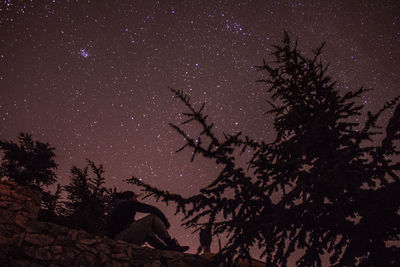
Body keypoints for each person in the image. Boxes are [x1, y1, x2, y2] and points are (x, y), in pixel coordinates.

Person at [106, 191, 189, 252]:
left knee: (147, 229)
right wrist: (165, 221)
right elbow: (151, 209)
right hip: (120, 237)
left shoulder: (120, 208)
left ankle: (164, 248)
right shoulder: (127, 203)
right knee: (152, 218)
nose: (136, 200)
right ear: (130, 197)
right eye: (135, 197)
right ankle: (171, 244)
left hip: (120, 237)